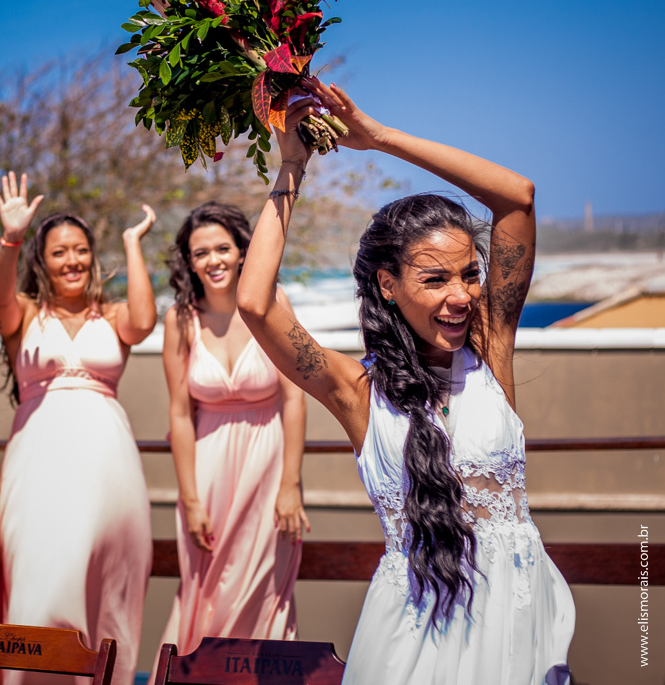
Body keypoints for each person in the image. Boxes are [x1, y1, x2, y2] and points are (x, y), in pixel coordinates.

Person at [235, 80, 574, 684]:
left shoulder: (490, 349)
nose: (461, 296)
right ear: (388, 286)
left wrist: (380, 139)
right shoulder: (355, 391)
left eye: (470, 275)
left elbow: (517, 198)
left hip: (519, 622)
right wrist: (291, 167)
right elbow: (256, 303)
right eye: (435, 279)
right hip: (416, 632)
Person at [0, 171, 157, 685]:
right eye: (59, 252)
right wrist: (11, 237)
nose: (72, 261)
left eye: (80, 250)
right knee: (42, 574)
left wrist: (131, 244)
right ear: (42, 261)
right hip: (37, 461)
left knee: (107, 582)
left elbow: (146, 321)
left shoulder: (113, 315)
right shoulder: (23, 315)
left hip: (108, 465)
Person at [160, 202, 308, 654]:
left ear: (243, 251)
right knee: (204, 590)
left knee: (263, 587)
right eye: (200, 252)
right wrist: (189, 499)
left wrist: (290, 485)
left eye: (222, 248)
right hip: (206, 471)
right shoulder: (180, 320)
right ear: (188, 261)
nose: (214, 260)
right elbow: (180, 415)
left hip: (268, 466)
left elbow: (295, 397)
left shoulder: (272, 304)